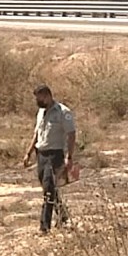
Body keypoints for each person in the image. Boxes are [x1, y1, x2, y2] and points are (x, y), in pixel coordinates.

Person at [22, 84, 76, 234]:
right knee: (49, 188)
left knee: (48, 189)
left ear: (48, 96)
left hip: (55, 155)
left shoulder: (63, 112)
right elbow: (36, 134)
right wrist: (28, 153)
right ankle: (63, 217)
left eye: (40, 98)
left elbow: (71, 134)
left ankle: (44, 227)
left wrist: (69, 156)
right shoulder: (40, 112)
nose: (37, 101)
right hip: (42, 155)